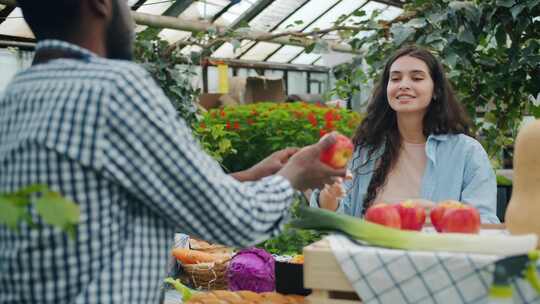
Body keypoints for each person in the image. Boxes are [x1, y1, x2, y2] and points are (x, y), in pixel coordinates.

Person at [0, 1, 346, 303]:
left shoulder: (17, 96)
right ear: (100, 4)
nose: (131, 19)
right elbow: (235, 219)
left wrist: (246, 178)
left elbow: (112, 202)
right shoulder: (113, 87)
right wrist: (294, 176)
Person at [311, 46, 500, 223]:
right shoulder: (365, 150)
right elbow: (335, 220)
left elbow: (485, 222)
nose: (403, 85)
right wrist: (329, 193)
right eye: (395, 78)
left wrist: (439, 215)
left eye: (416, 78)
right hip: (369, 256)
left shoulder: (467, 152)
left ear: (436, 90)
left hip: (438, 257)